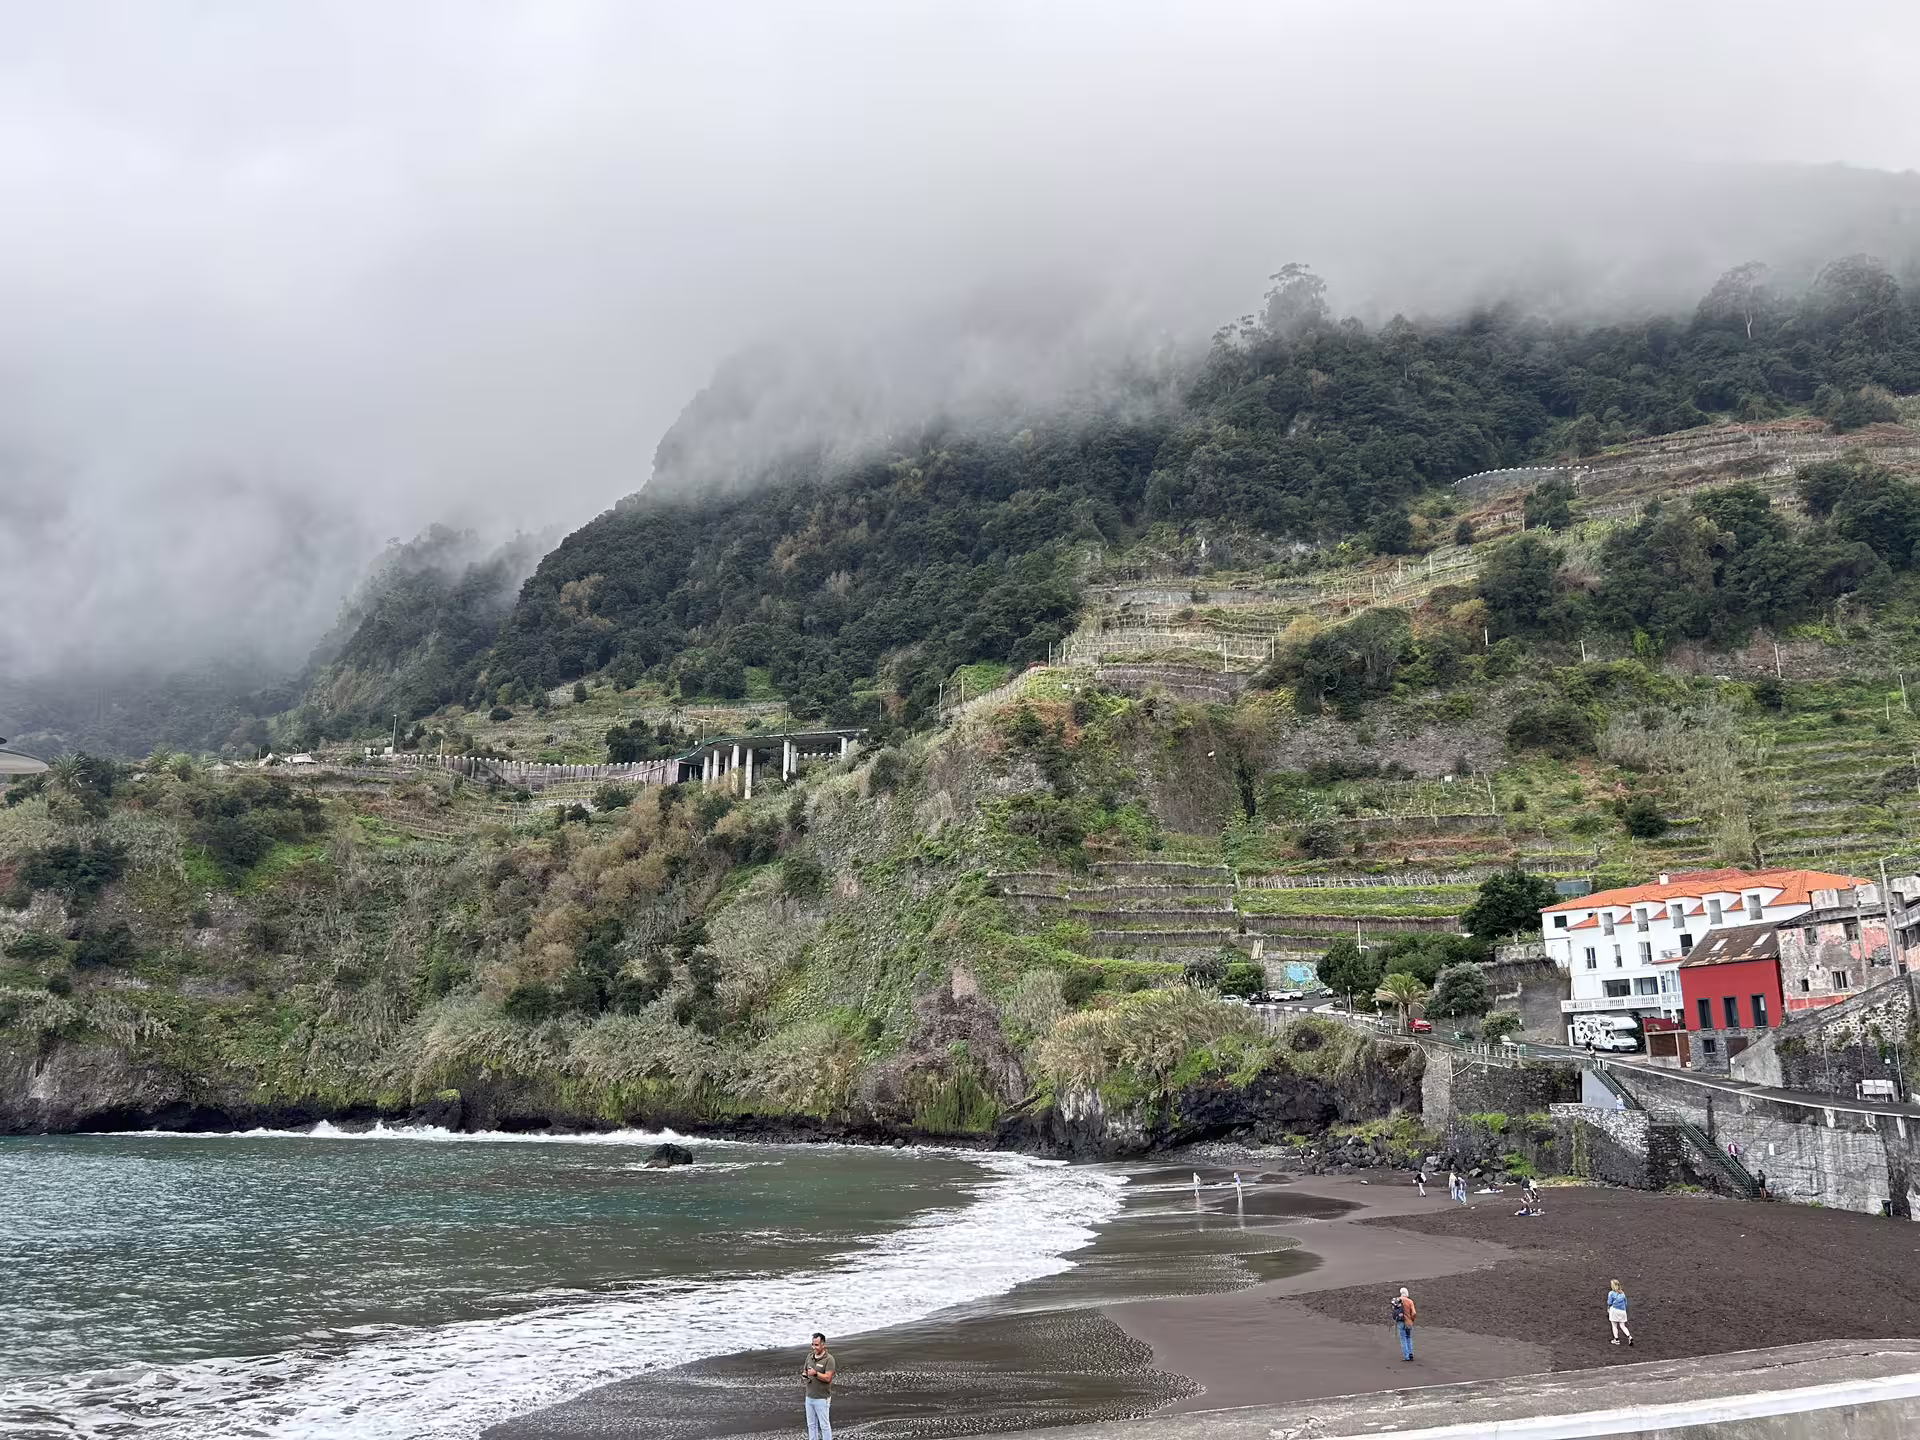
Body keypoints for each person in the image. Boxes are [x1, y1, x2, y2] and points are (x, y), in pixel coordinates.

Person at [802, 1332, 837, 1440]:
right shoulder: (809, 1357)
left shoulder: (829, 1359)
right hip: (809, 1396)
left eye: (816, 1345)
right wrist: (805, 1375)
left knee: (824, 1425)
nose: (814, 1347)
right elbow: (805, 1371)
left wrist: (816, 1374)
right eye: (813, 1344)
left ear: (823, 1344)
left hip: (822, 1398)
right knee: (811, 1425)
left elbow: (828, 1378)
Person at [1391, 1287, 1417, 1360]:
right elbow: (1414, 1313)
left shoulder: (1397, 1300)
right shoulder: (1410, 1301)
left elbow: (1394, 1310)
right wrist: (1412, 1319)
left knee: (1403, 1338)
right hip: (1409, 1322)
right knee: (1408, 1337)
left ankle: (1406, 1356)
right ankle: (1410, 1354)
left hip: (1400, 1321)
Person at [1607, 1281, 1632, 1347]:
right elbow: (1625, 1303)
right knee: (1623, 1326)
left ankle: (1616, 1340)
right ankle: (1629, 1336)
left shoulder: (1611, 1293)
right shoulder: (1622, 1294)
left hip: (1614, 1310)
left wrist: (1609, 1308)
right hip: (1622, 1311)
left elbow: (1609, 1303)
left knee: (1614, 1325)